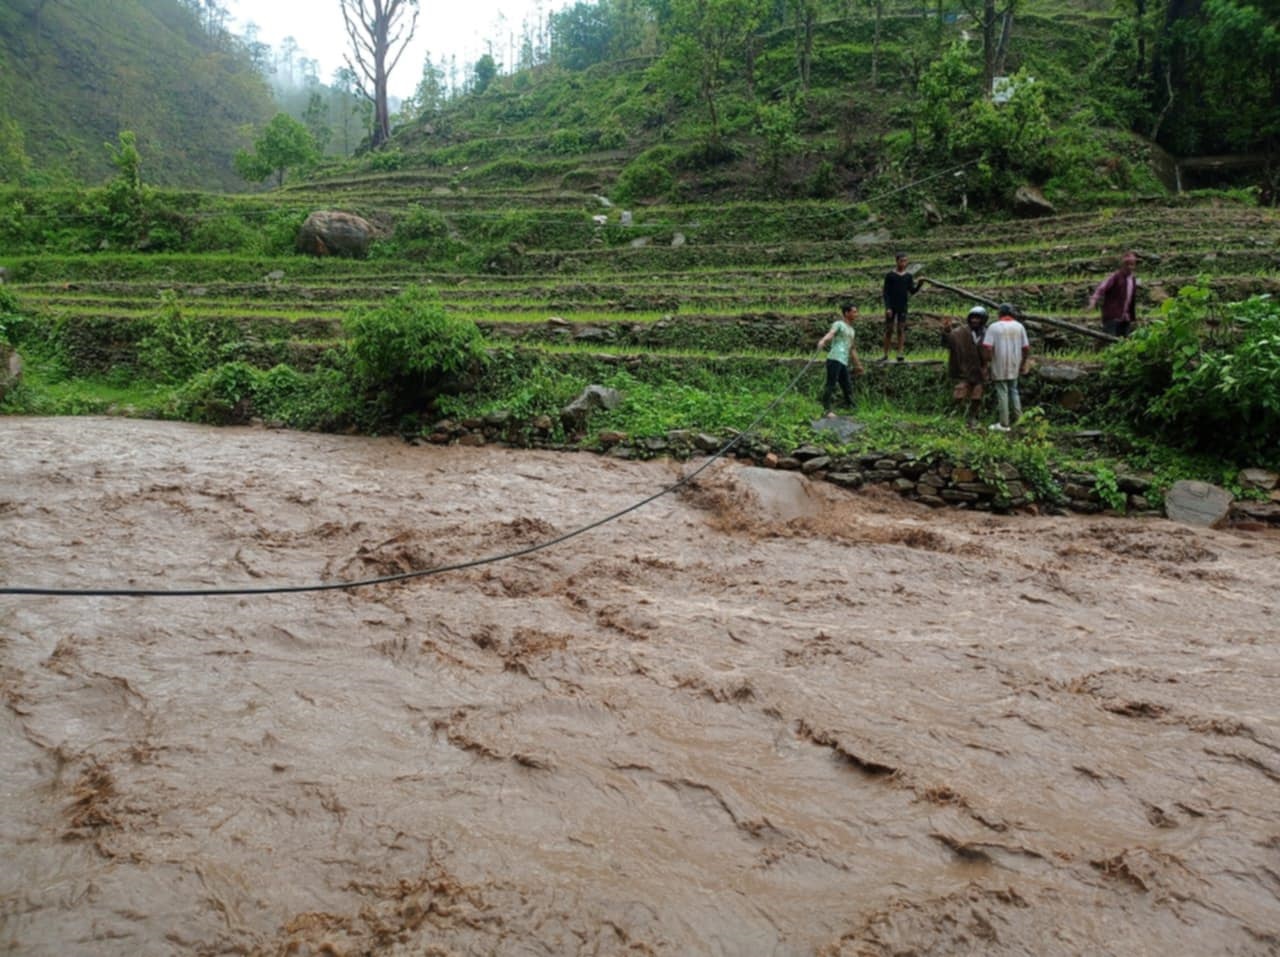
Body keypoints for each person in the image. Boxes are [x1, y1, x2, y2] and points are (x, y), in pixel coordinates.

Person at [981, 303, 1030, 432]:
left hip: (999, 363)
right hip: (1015, 362)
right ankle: (1019, 420)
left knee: (1002, 391)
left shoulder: (994, 327)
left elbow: (987, 347)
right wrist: (1023, 362)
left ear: (999, 314)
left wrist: (988, 362)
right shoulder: (1019, 327)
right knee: (1014, 390)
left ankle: (1004, 423)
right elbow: (1025, 348)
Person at [940, 305, 989, 426]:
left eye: (978, 318)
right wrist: (946, 331)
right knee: (960, 391)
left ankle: (973, 417)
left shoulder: (988, 333)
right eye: (973, 318)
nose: (975, 321)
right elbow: (948, 342)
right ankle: (951, 414)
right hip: (964, 369)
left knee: (977, 393)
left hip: (980, 370)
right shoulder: (960, 332)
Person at [817, 302, 864, 415]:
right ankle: (826, 409)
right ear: (846, 313)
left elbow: (852, 348)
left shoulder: (852, 331)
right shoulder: (838, 324)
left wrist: (858, 365)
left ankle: (850, 406)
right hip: (834, 358)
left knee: (846, 384)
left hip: (843, 360)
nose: (856, 314)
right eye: (854, 312)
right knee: (831, 383)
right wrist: (823, 340)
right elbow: (831, 333)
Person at [881, 252, 925, 362]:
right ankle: (885, 354)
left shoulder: (908, 276)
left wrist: (920, 284)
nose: (904, 263)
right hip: (892, 306)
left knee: (900, 329)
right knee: (889, 330)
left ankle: (900, 353)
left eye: (905, 261)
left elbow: (912, 291)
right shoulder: (890, 275)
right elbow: (886, 293)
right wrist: (888, 307)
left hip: (902, 306)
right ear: (896, 261)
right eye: (901, 261)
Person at [1088, 251, 1139, 337]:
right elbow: (1102, 288)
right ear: (1123, 265)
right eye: (1127, 265)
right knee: (1110, 340)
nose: (1129, 267)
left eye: (1132, 265)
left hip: (1125, 318)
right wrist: (1093, 300)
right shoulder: (1115, 277)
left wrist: (1131, 316)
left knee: (1123, 342)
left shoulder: (1132, 280)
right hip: (1113, 317)